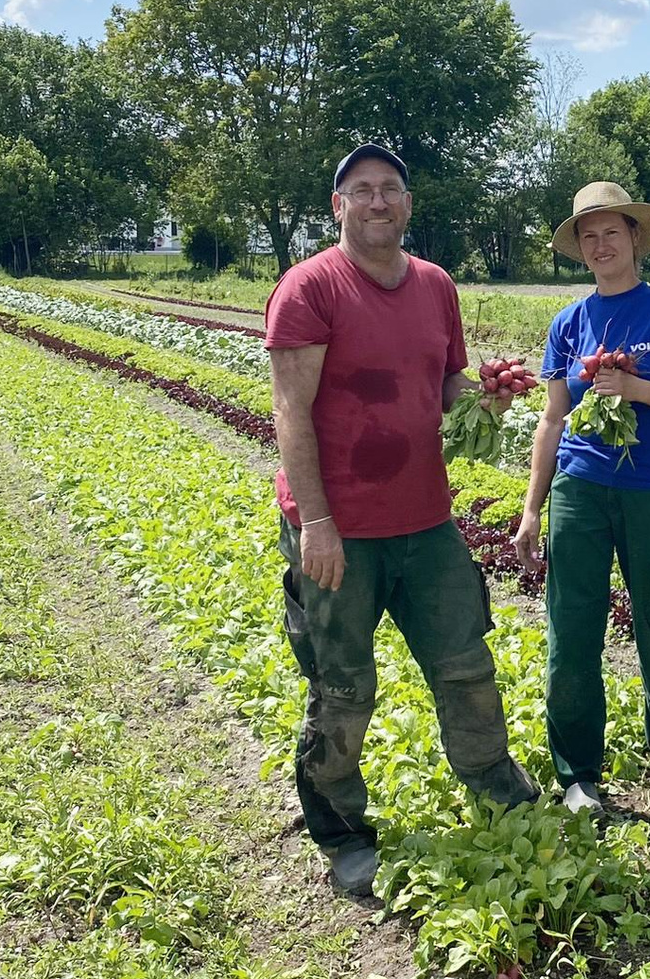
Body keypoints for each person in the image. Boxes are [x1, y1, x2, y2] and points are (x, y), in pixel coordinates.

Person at [267, 142, 540, 898]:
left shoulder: (435, 285)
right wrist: (316, 522)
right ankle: (341, 830)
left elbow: (445, 383)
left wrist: (484, 398)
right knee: (344, 686)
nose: (378, 201)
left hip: (425, 520)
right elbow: (290, 411)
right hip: (339, 529)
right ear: (339, 206)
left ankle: (495, 784)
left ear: (408, 203)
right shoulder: (309, 287)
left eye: (390, 188)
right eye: (362, 190)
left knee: (466, 665)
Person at [512, 182, 650, 815]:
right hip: (579, 489)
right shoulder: (568, 324)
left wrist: (635, 388)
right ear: (580, 248)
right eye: (589, 236)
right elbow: (553, 418)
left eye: (612, 232)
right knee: (572, 628)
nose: (601, 245)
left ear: (634, 238)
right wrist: (532, 507)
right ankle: (579, 772)